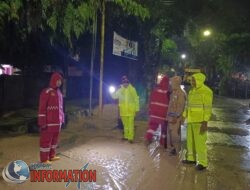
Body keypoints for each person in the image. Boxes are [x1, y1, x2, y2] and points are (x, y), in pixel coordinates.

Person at [182, 73, 213, 171]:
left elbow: (208, 108)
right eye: (191, 80)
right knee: (190, 142)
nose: (192, 82)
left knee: (200, 143)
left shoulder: (206, 91)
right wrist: (184, 116)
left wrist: (205, 122)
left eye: (194, 80)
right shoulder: (191, 91)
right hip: (191, 120)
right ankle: (191, 159)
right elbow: (188, 105)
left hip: (200, 121)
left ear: (199, 80)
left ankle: (203, 163)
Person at [38, 72, 64, 164]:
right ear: (53, 80)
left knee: (54, 141)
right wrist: (42, 122)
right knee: (46, 141)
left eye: (60, 81)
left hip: (57, 123)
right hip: (49, 123)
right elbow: (42, 108)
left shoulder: (59, 93)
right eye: (57, 80)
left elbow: (61, 108)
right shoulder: (47, 92)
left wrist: (62, 119)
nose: (59, 82)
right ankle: (44, 159)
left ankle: (52, 156)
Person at [111, 75, 139, 143]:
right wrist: (113, 91)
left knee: (130, 125)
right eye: (124, 82)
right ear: (122, 82)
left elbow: (136, 99)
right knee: (125, 125)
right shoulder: (120, 90)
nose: (125, 83)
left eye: (126, 82)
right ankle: (126, 136)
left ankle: (130, 138)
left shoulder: (132, 89)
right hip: (123, 111)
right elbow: (114, 97)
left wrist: (137, 109)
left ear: (128, 82)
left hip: (131, 111)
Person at [145, 75, 170, 148]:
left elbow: (151, 102)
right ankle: (162, 143)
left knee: (152, 127)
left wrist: (150, 111)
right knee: (164, 129)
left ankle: (148, 139)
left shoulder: (155, 90)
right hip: (163, 114)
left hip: (154, 113)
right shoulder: (168, 93)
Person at [167, 76, 186, 156]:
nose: (171, 84)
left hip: (176, 118)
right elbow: (170, 105)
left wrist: (175, 117)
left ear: (176, 83)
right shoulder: (174, 92)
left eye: (172, 83)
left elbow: (180, 107)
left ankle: (176, 150)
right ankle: (174, 148)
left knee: (174, 134)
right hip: (171, 117)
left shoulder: (181, 93)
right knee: (171, 134)